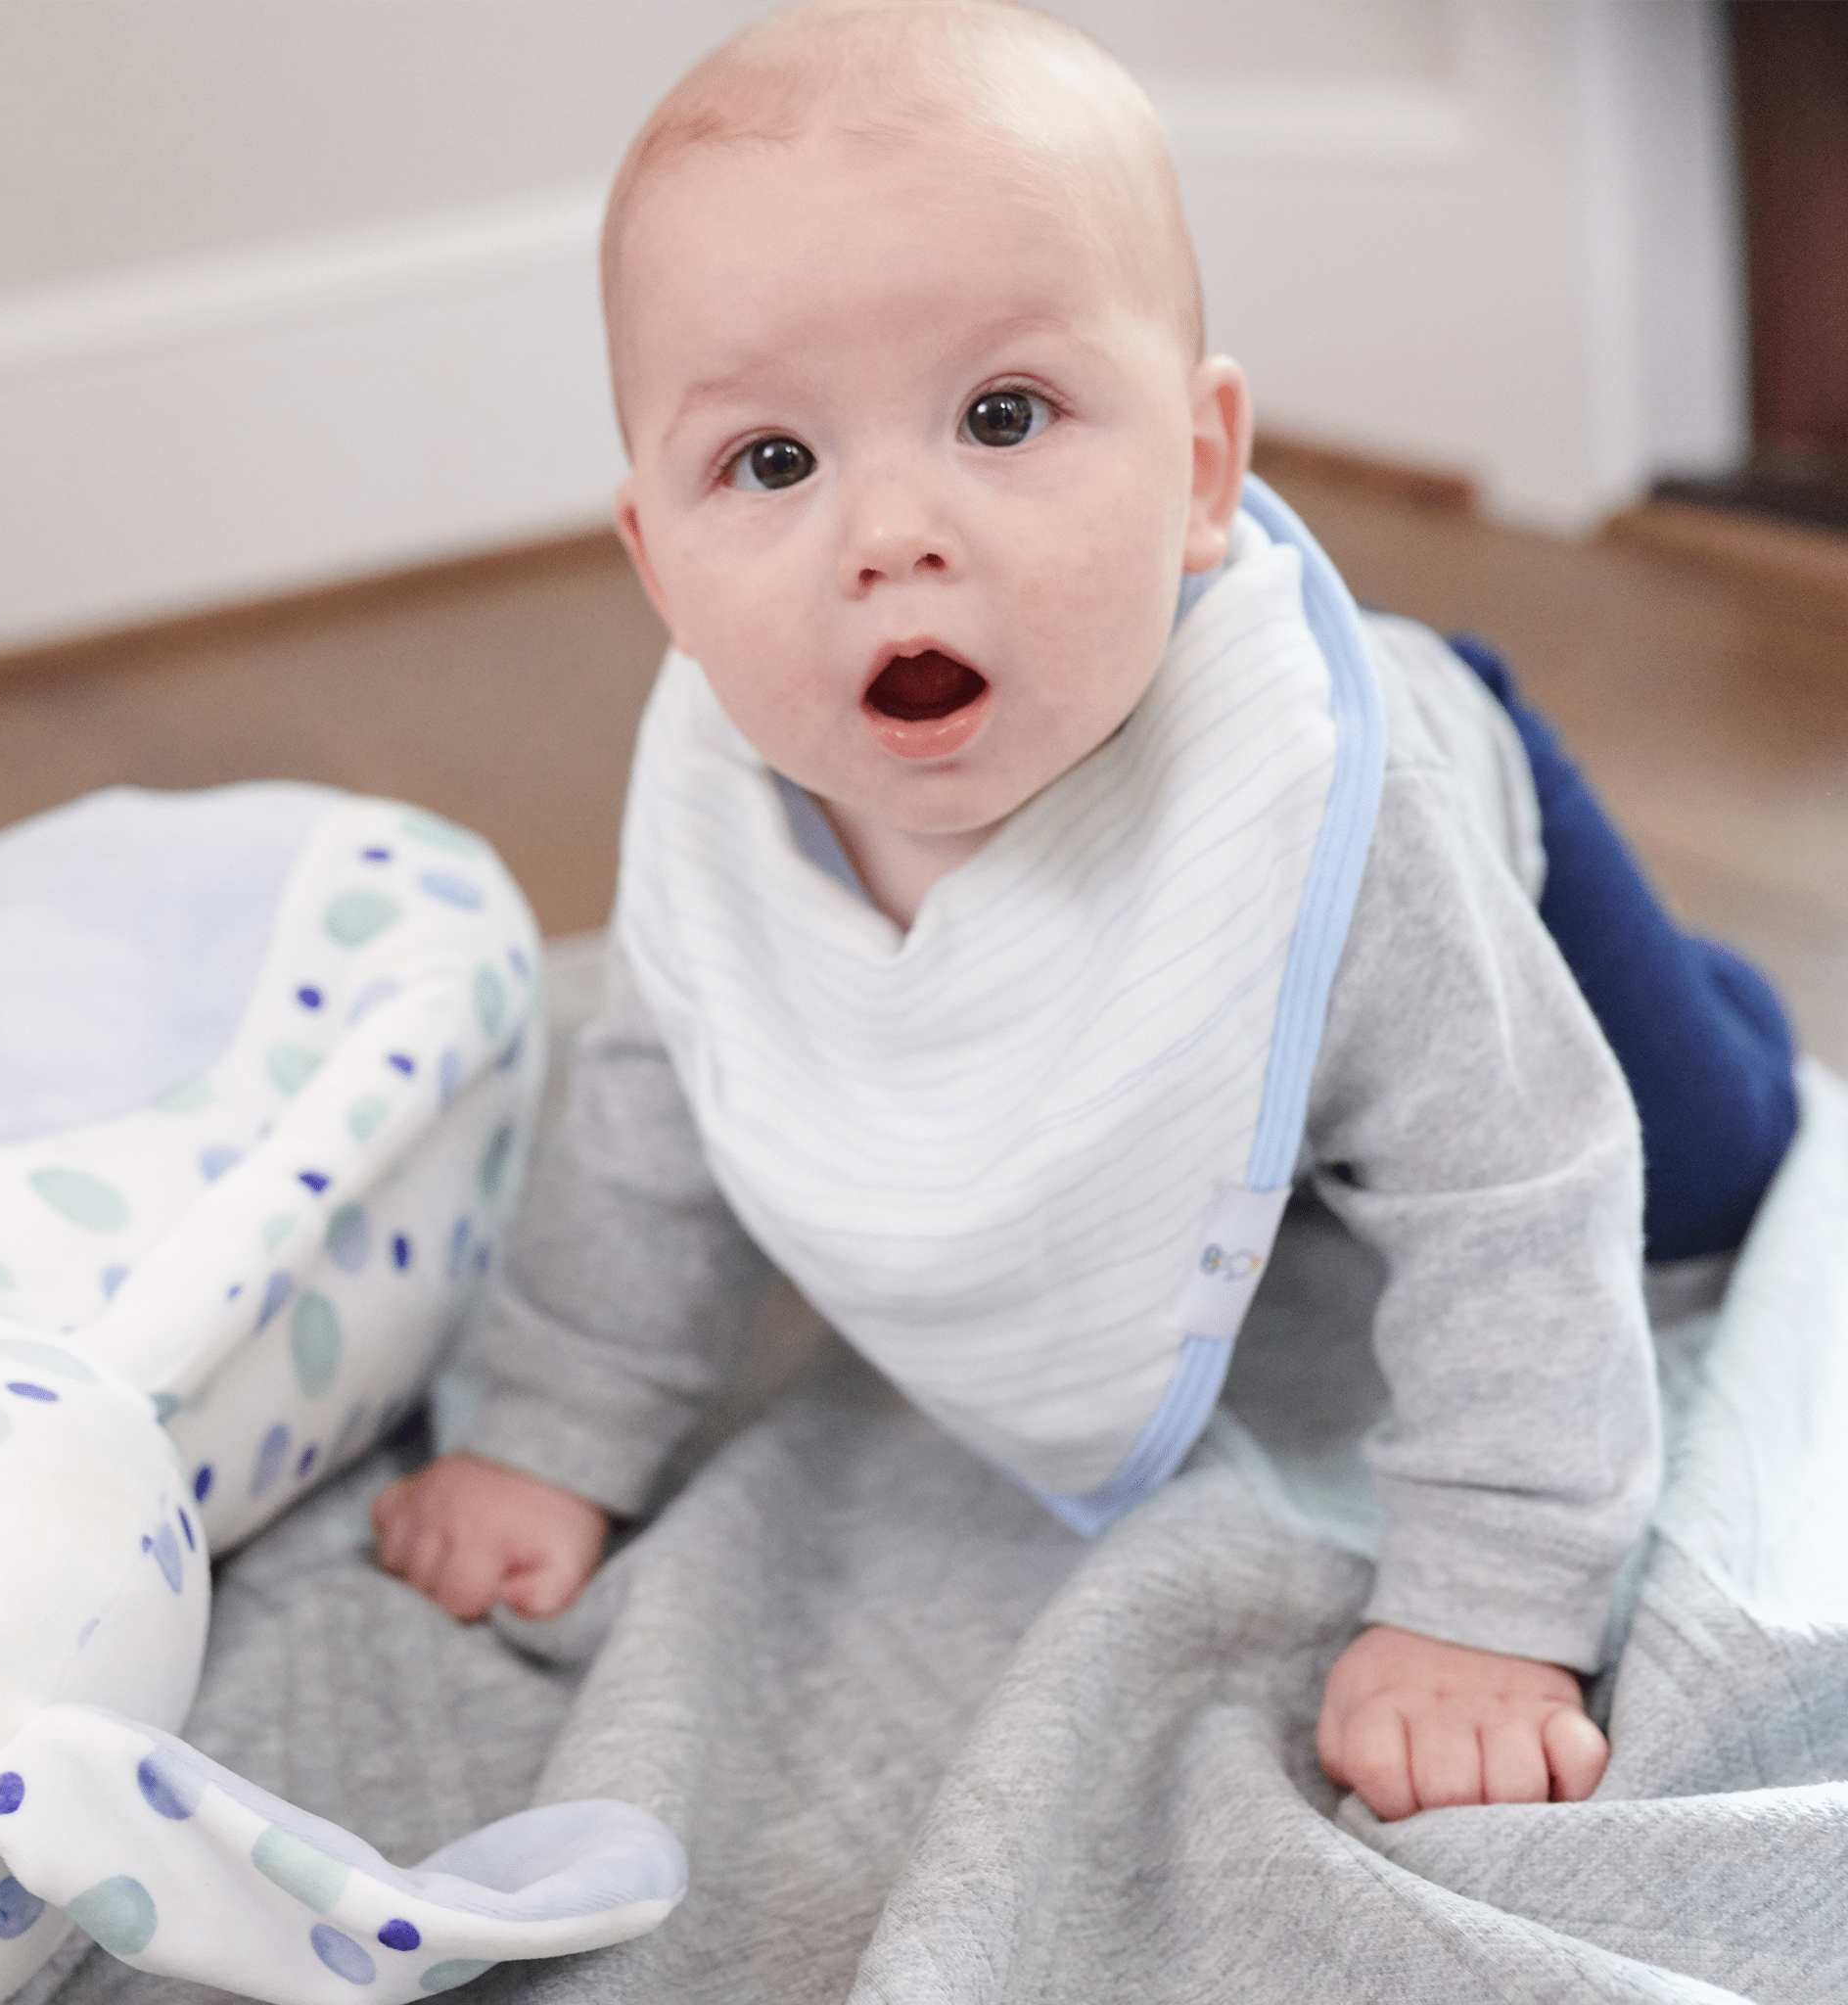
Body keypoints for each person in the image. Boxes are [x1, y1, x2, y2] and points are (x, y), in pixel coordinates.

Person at [372, 0, 1797, 1823]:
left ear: (1202, 473)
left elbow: (1511, 1193)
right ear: (655, 555)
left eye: (1001, 414)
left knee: (1710, 1162)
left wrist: (1490, 1607)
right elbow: (661, 1115)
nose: (891, 531)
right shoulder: (719, 808)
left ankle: (1721, 1014)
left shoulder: (1339, 827)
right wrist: (549, 1433)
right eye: (773, 462)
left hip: (1479, 818)